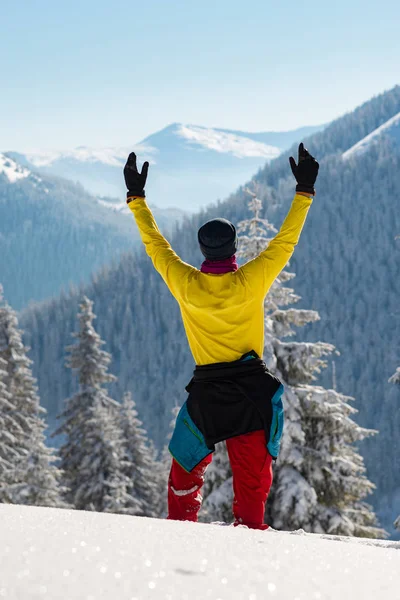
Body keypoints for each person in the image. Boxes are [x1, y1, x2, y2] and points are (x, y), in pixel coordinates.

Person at [124, 143, 319, 529]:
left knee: (183, 474)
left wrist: (137, 199)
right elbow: (285, 242)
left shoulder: (186, 284)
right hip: (251, 394)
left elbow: (155, 245)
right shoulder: (251, 282)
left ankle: (179, 535)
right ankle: (249, 550)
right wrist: (304, 192)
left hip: (207, 394)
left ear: (201, 249)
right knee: (251, 491)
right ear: (234, 248)